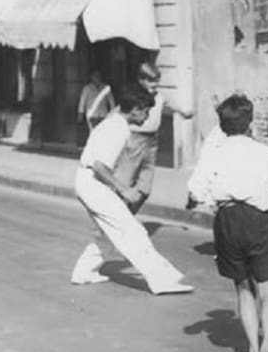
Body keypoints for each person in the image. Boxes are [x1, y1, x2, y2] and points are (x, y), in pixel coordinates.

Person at [187, 94, 268, 352]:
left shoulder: (214, 154)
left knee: (243, 287)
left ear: (222, 125)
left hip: (227, 221)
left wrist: (199, 199)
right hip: (257, 219)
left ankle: (251, 350)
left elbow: (195, 192)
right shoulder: (264, 153)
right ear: (250, 123)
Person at [71, 83, 194, 295]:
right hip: (92, 183)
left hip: (87, 182)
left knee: (108, 232)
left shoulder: (114, 123)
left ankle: (83, 272)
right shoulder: (118, 128)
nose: (147, 117)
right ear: (136, 109)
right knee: (132, 230)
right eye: (146, 111)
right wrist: (123, 190)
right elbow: (99, 165)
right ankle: (162, 281)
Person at [114, 61, 195, 214]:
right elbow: (118, 112)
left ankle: (126, 216)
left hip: (152, 143)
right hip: (135, 141)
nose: (155, 84)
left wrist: (184, 112)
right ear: (141, 80)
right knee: (124, 183)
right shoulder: (134, 96)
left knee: (145, 189)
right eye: (151, 80)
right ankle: (108, 225)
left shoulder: (159, 96)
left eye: (157, 80)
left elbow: (172, 105)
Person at [76, 69, 113, 143]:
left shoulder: (105, 87)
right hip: (92, 114)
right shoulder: (87, 88)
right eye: (95, 76)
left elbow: (111, 100)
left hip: (103, 114)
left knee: (103, 132)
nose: (97, 78)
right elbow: (82, 101)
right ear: (92, 77)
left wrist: (113, 111)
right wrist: (80, 113)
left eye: (98, 76)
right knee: (93, 133)